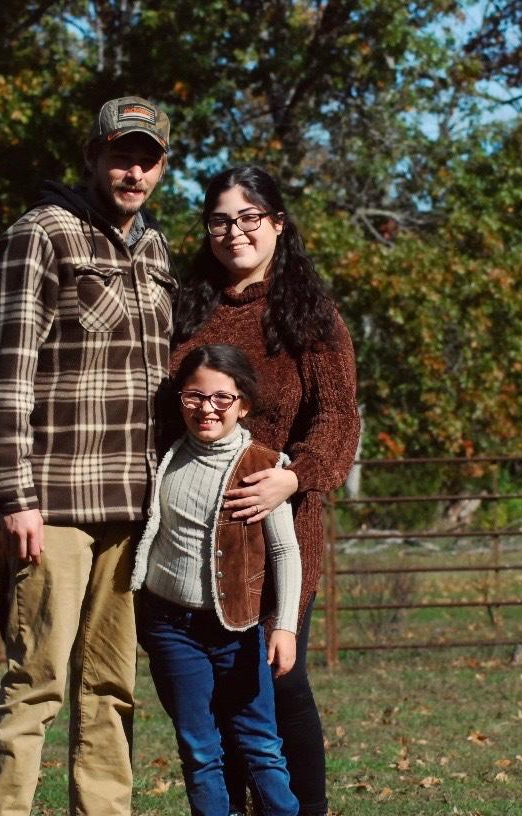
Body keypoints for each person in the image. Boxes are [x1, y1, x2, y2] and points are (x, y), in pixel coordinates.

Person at [0, 96, 177, 816]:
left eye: (147, 157)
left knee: (112, 688)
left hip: (134, 507)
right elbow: (3, 374)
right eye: (121, 154)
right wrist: (13, 497)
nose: (133, 170)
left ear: (161, 166)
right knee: (37, 682)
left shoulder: (154, 249)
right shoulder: (40, 235)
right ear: (92, 156)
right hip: (54, 502)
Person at [170, 165, 360, 816]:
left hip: (281, 531)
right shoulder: (185, 309)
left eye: (251, 217)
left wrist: (293, 477)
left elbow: (336, 416)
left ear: (278, 224)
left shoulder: (308, 316)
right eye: (221, 219)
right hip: (197, 537)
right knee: (214, 696)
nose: (236, 232)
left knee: (280, 680)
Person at [131, 343, 301, 816]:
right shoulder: (164, 457)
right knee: (199, 747)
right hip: (170, 629)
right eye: (194, 397)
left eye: (221, 399)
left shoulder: (264, 467)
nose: (207, 408)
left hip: (238, 632)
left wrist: (284, 627)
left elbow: (286, 551)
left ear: (242, 403)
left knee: (260, 743)